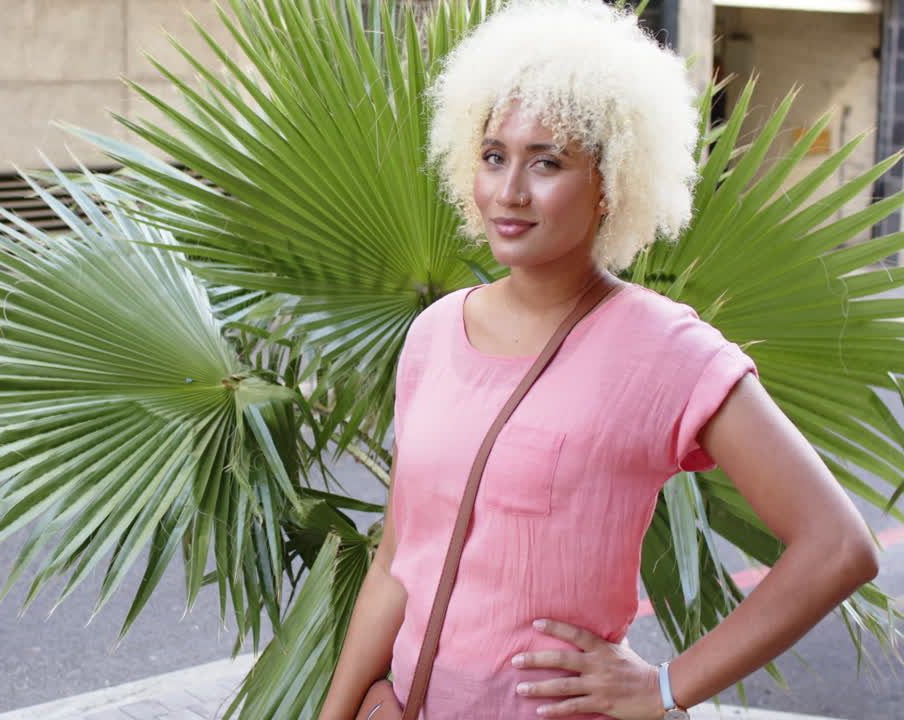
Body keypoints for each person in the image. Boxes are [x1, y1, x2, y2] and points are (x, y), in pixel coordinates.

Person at [316, 1, 882, 718]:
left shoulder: (661, 346)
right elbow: (398, 564)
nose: (509, 192)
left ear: (613, 181)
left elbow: (838, 545)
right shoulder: (434, 335)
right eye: (494, 156)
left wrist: (666, 688)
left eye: (546, 162)